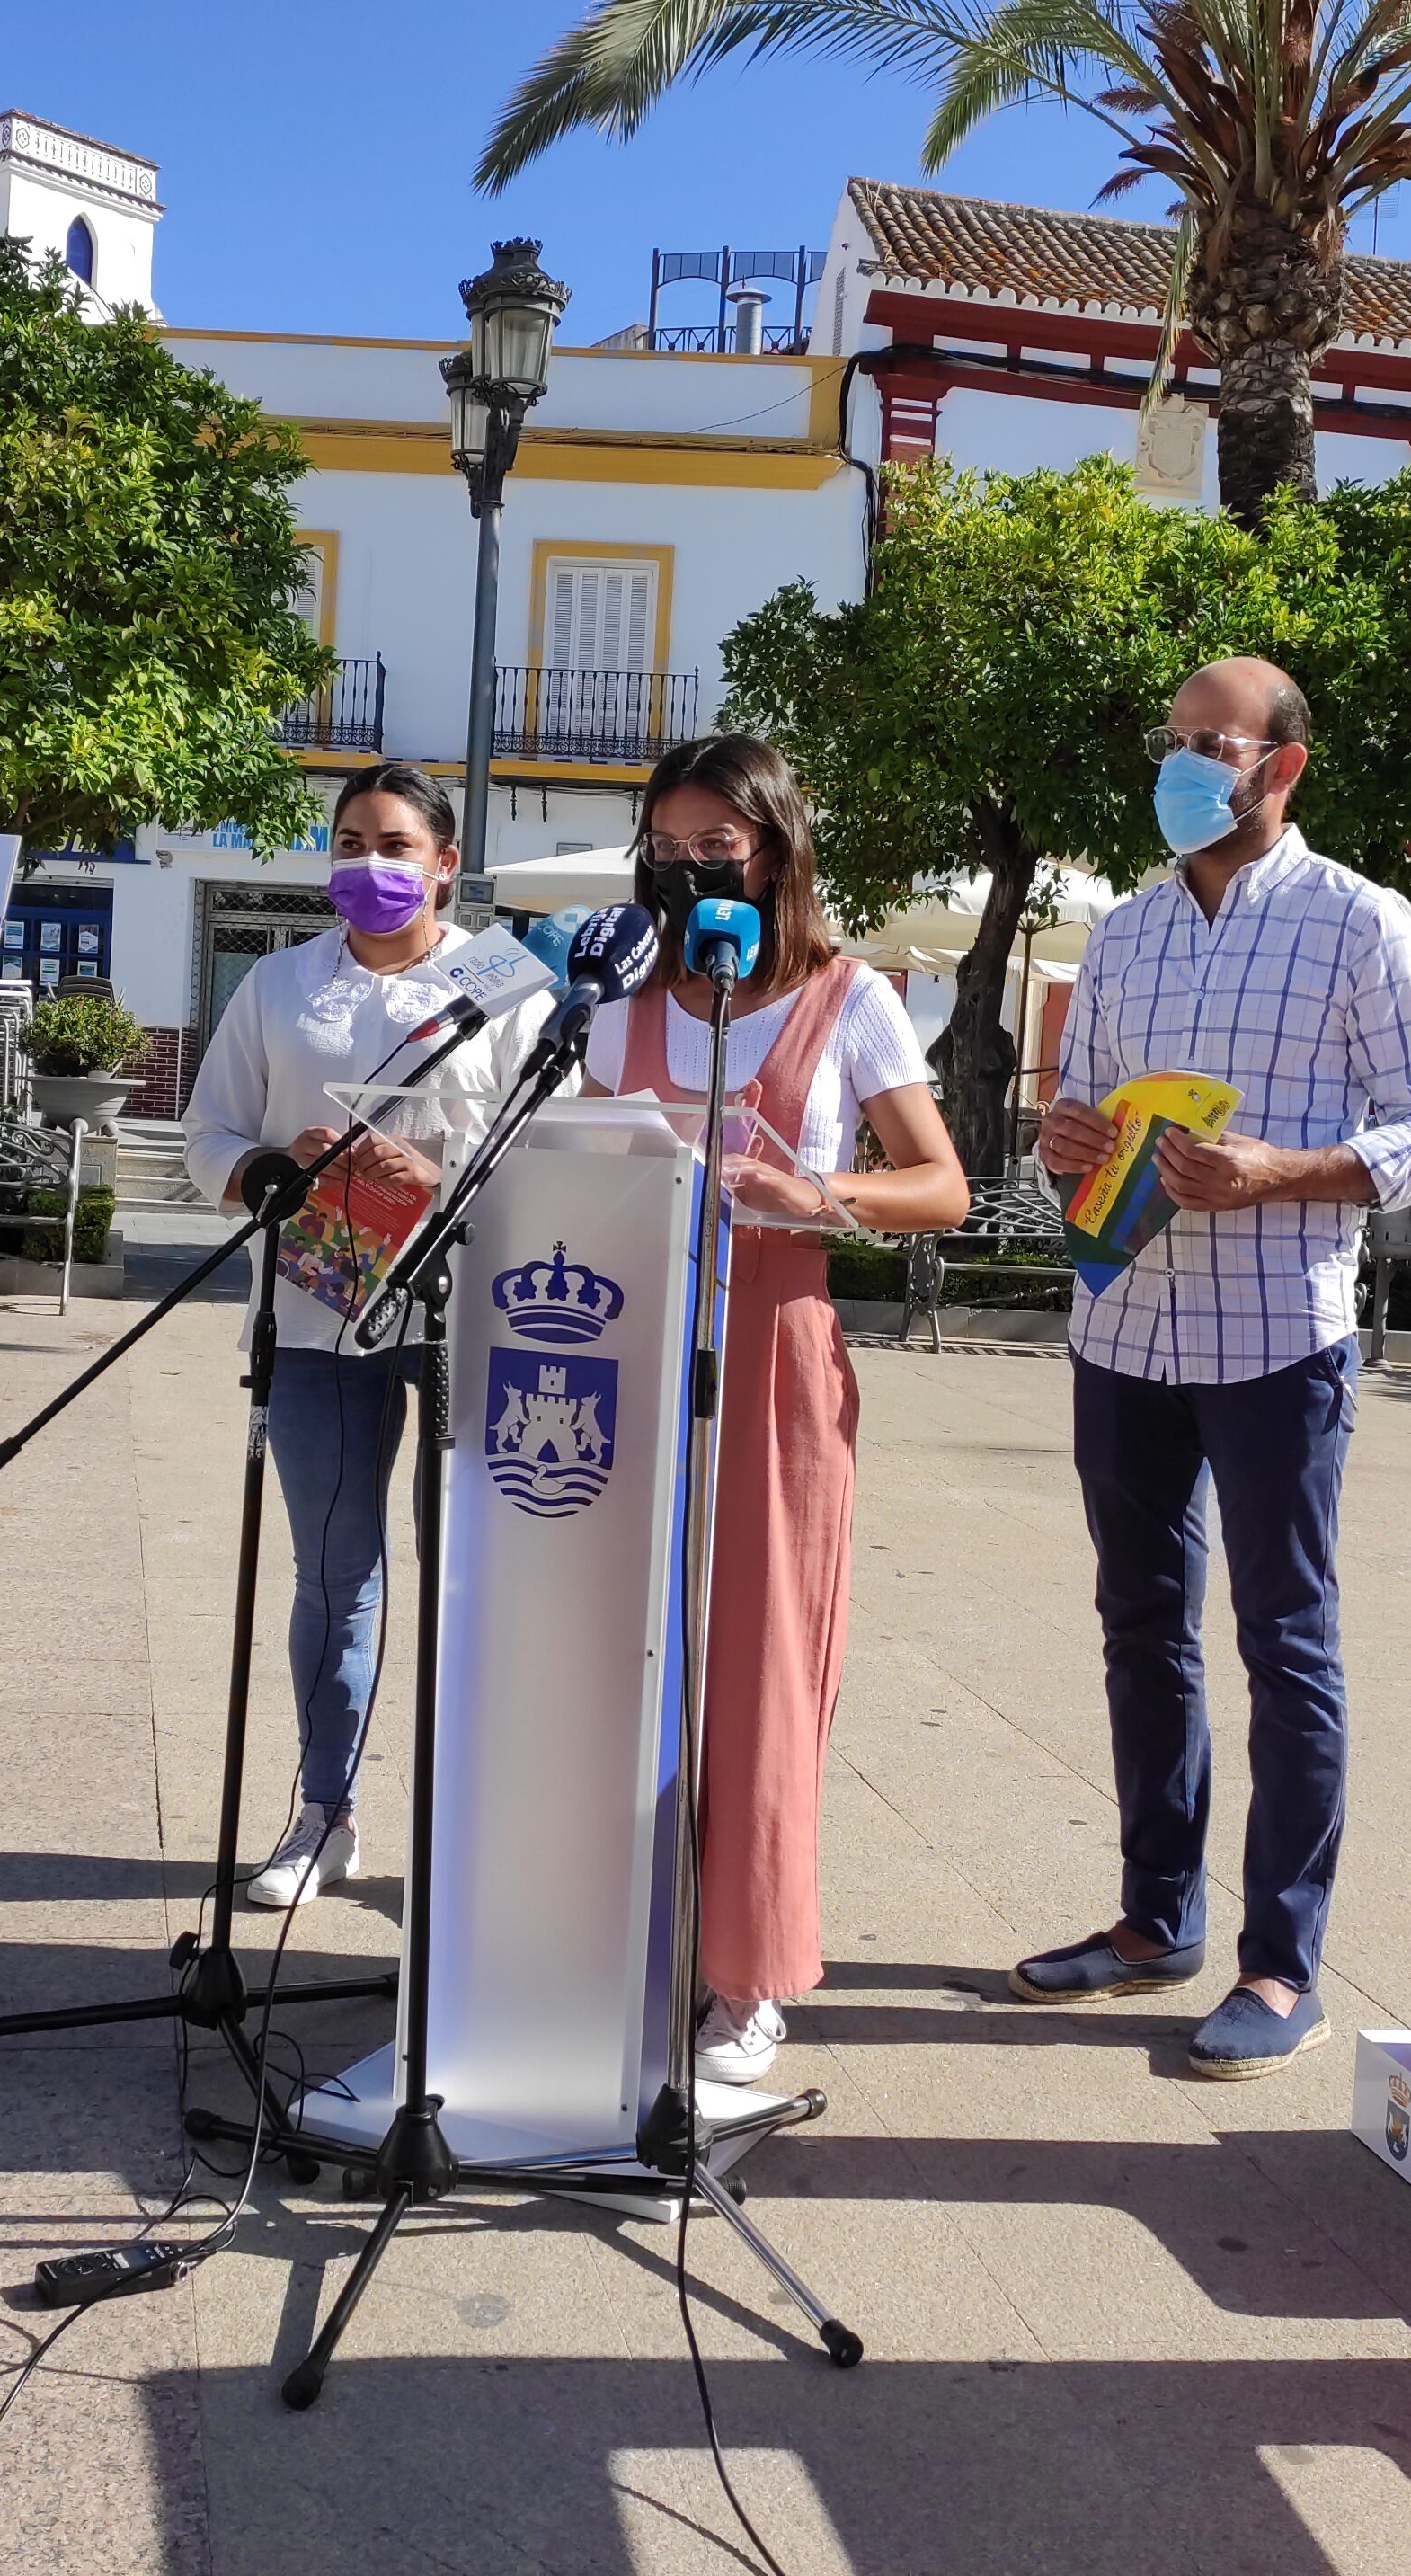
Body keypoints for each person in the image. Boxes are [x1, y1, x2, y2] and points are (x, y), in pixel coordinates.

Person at [1011, 658, 1411, 2078]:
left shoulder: (1357, 920)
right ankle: (1157, 1921)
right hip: (1124, 1328)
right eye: (1172, 744)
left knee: (1287, 1643)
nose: (1184, 769)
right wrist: (1060, 1152)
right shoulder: (1129, 931)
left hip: (1277, 1336)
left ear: (1283, 766)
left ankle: (1282, 1965)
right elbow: (1070, 1127)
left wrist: (1288, 1170)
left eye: (1211, 745)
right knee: (1138, 1628)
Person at [585, 733, 969, 2083]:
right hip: (623, 1343)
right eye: (670, 850)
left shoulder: (847, 999)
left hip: (775, 1344)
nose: (690, 873)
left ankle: (747, 1976)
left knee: (758, 1664)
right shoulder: (619, 1004)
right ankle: (610, 1936)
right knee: (615, 1652)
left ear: (774, 849)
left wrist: (826, 1195)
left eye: (717, 849)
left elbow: (944, 1186)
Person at [182, 763, 552, 1907]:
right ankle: (324, 1812)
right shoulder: (280, 986)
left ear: (445, 862)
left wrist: (440, 1177)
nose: (371, 865)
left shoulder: (516, 987)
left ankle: (483, 1821)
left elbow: (562, 1148)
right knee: (335, 1571)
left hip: (477, 1311)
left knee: (485, 1572)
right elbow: (210, 1129)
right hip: (313, 1313)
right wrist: (267, 1172)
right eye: (350, 842)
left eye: (397, 845)